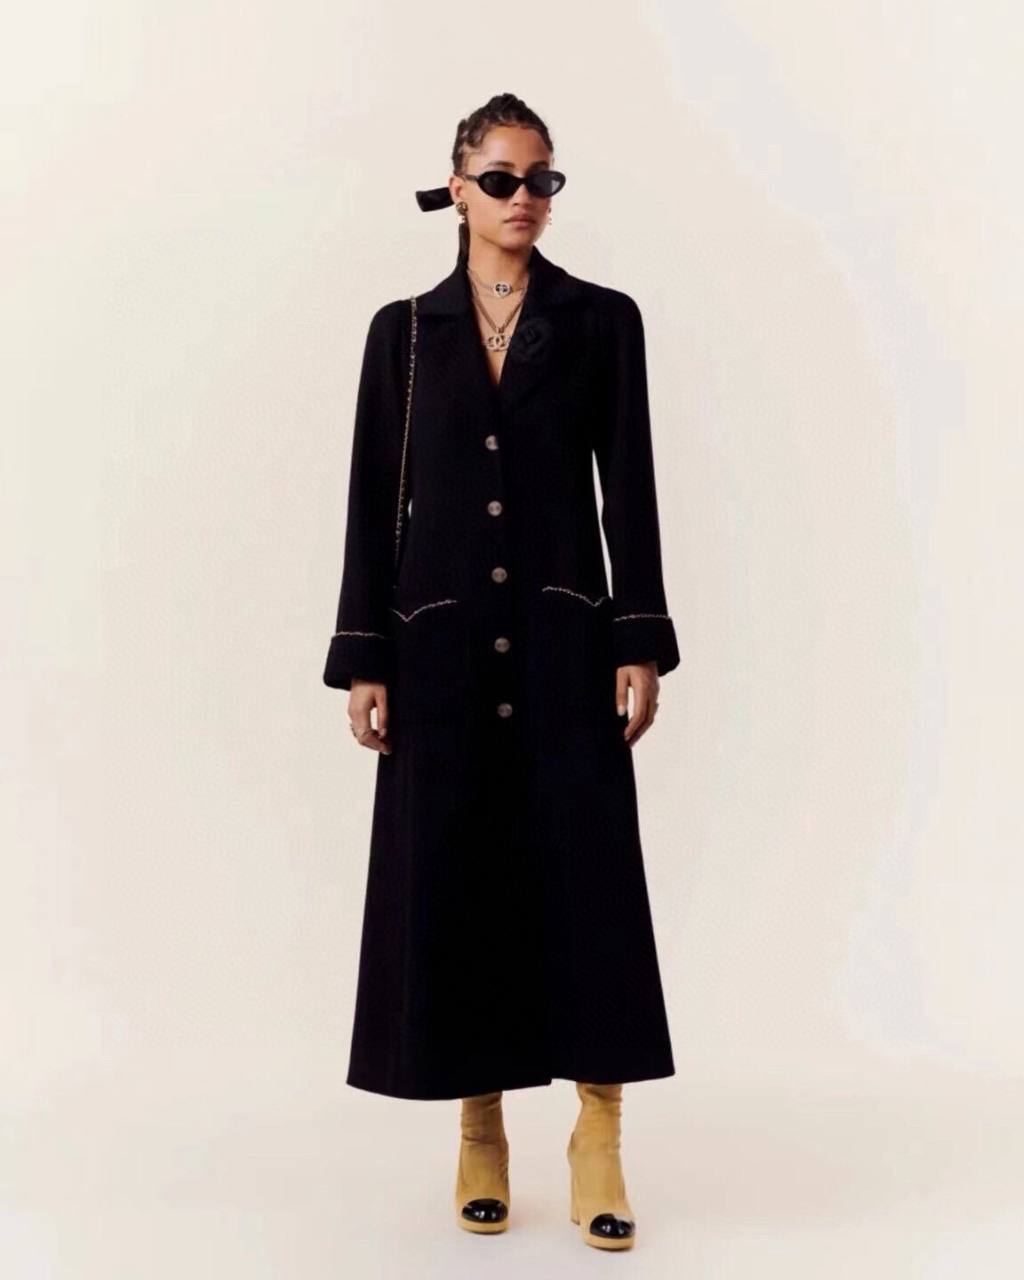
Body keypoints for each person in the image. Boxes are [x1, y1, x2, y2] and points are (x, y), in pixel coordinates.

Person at [322, 92, 681, 1251]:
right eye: (501, 178)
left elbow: (629, 487)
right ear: (456, 187)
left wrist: (636, 635)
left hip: (565, 641)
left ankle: (598, 1134)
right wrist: (365, 653)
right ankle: (479, 1129)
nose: (523, 197)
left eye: (541, 179)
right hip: (438, 648)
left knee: (588, 880)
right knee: (460, 878)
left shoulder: (601, 321)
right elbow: (372, 501)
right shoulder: (402, 333)